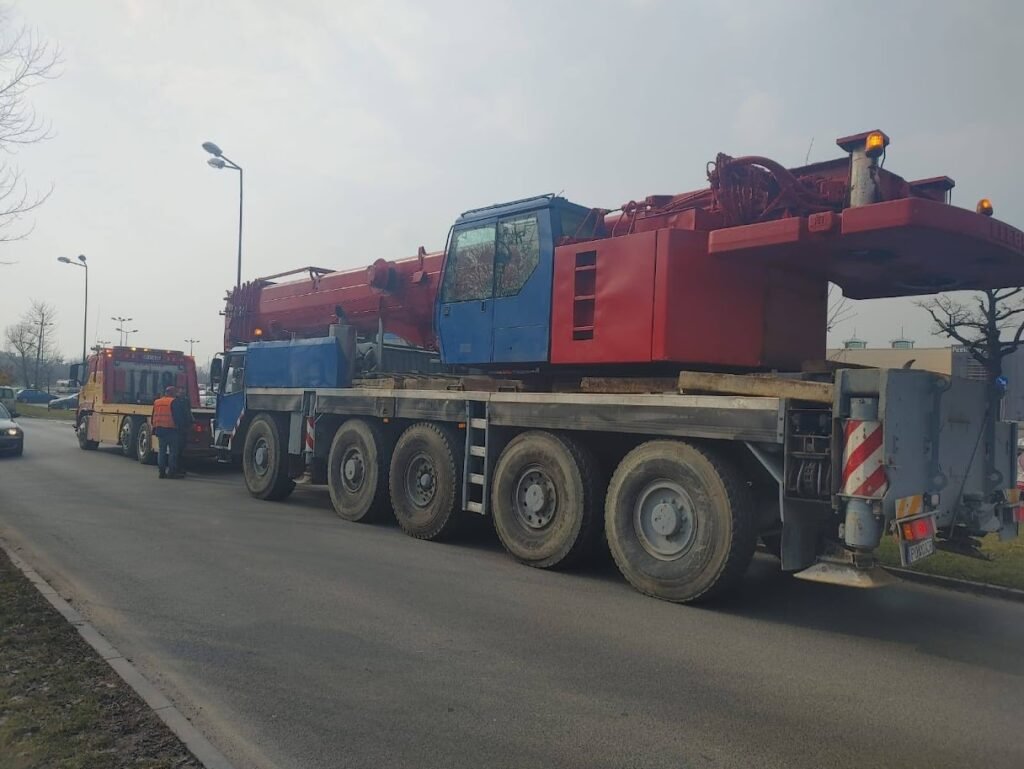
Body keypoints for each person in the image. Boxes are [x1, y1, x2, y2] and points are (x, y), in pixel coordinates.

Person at [152, 386, 181, 479]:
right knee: (173, 452)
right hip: (171, 429)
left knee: (162, 451)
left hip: (160, 429)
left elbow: (153, 416)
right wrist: (181, 427)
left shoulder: (157, 402)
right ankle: (171, 472)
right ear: (172, 393)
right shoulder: (173, 401)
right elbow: (177, 416)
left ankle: (161, 472)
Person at [173, 387, 193, 476]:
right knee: (177, 450)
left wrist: (189, 423)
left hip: (183, 428)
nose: (182, 392)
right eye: (180, 390)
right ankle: (176, 468)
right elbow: (178, 415)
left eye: (183, 390)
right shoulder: (175, 401)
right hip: (178, 428)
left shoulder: (185, 401)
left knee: (181, 450)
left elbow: (188, 413)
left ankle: (179, 468)